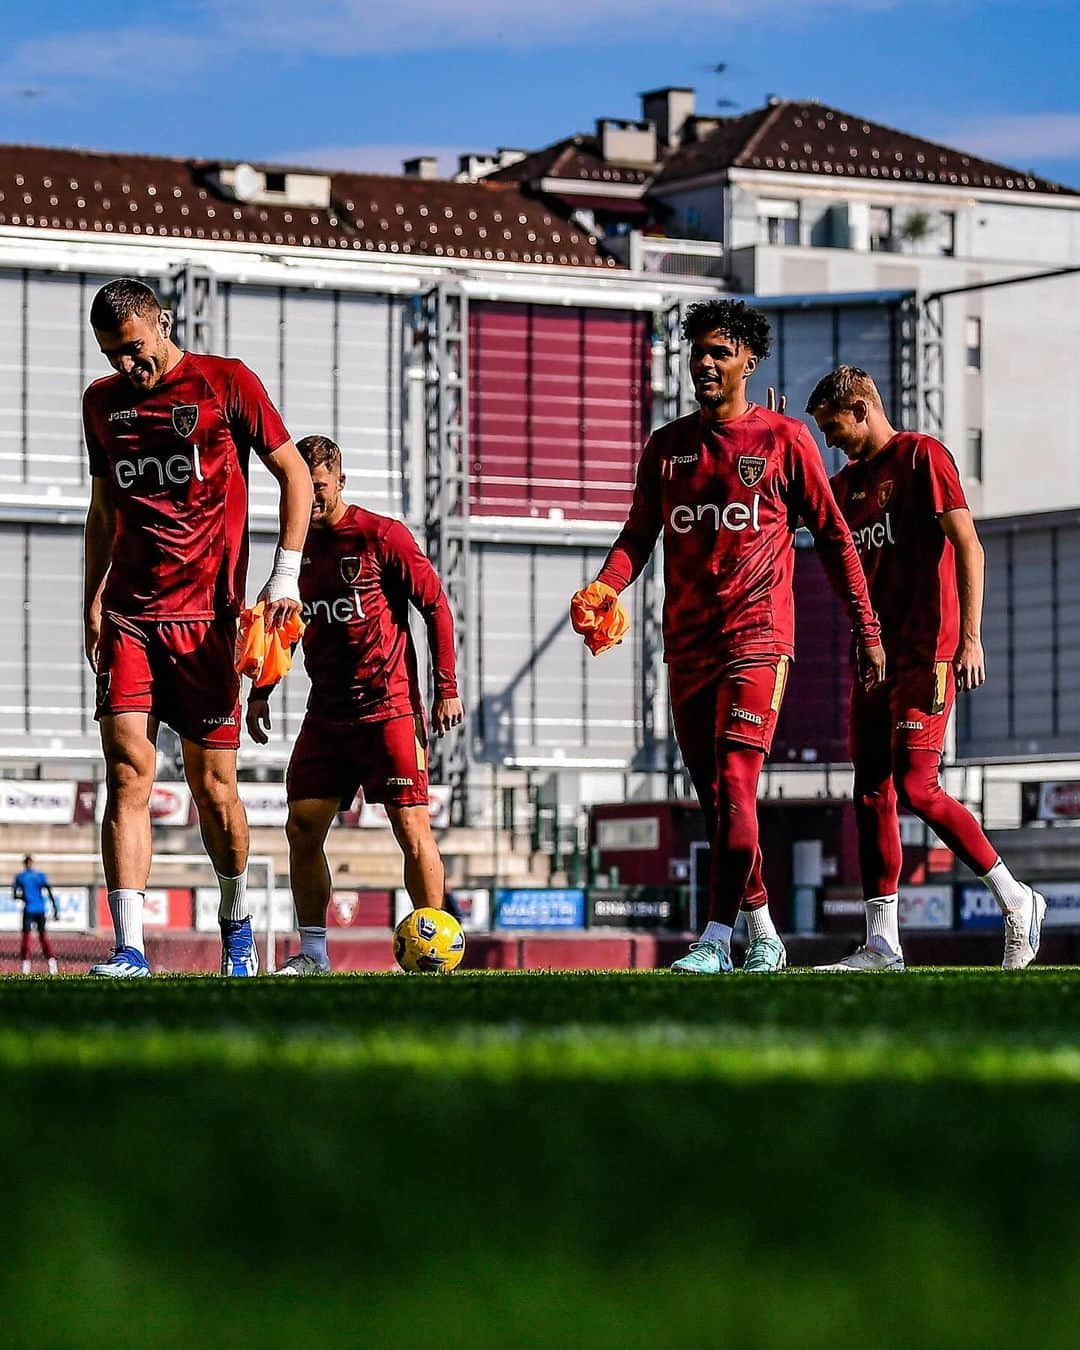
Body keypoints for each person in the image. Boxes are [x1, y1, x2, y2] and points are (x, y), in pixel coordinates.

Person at [572, 299, 884, 974]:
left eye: (720, 352)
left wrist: (867, 627)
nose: (705, 363)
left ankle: (716, 938)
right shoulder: (666, 447)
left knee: (739, 788)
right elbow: (637, 536)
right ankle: (765, 933)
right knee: (716, 800)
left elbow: (831, 536)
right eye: (699, 352)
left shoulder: (784, 440)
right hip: (687, 647)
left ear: (748, 360)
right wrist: (605, 586)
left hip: (758, 638)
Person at [82, 278, 313, 978]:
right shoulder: (101, 403)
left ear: (162, 322)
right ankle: (128, 949)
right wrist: (92, 600)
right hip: (130, 614)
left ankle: (236, 924)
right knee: (128, 775)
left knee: (215, 789)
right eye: (113, 354)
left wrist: (286, 573)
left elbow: (294, 474)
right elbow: (102, 510)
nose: (127, 366)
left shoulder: (225, 383)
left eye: (134, 349)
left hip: (208, 621)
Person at [807, 366, 1044, 971]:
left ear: (861, 409)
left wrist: (970, 639)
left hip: (926, 651)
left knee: (917, 786)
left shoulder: (922, 457)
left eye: (834, 429)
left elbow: (969, 543)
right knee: (869, 793)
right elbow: (792, 515)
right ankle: (883, 944)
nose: (832, 443)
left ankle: (1016, 900)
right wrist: (779, 437)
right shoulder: (846, 485)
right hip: (874, 658)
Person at [246, 435, 464, 976]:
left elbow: (435, 605)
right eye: (303, 488)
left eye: (319, 488)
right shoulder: (293, 551)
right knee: (301, 827)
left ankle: (433, 949)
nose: (311, 499)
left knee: (412, 830)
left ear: (340, 481)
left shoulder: (379, 535)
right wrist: (261, 691)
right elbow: (286, 630)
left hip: (389, 709)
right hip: (327, 715)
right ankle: (314, 954)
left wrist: (446, 686)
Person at [13, 856, 59, 976]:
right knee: (43, 937)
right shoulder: (39, 876)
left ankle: (25, 967)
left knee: (26, 938)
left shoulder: (20, 877)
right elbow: (49, 891)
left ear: (24, 863)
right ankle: (52, 965)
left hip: (29, 909)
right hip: (40, 910)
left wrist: (25, 897)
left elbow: (14, 895)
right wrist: (55, 909)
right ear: (32, 863)